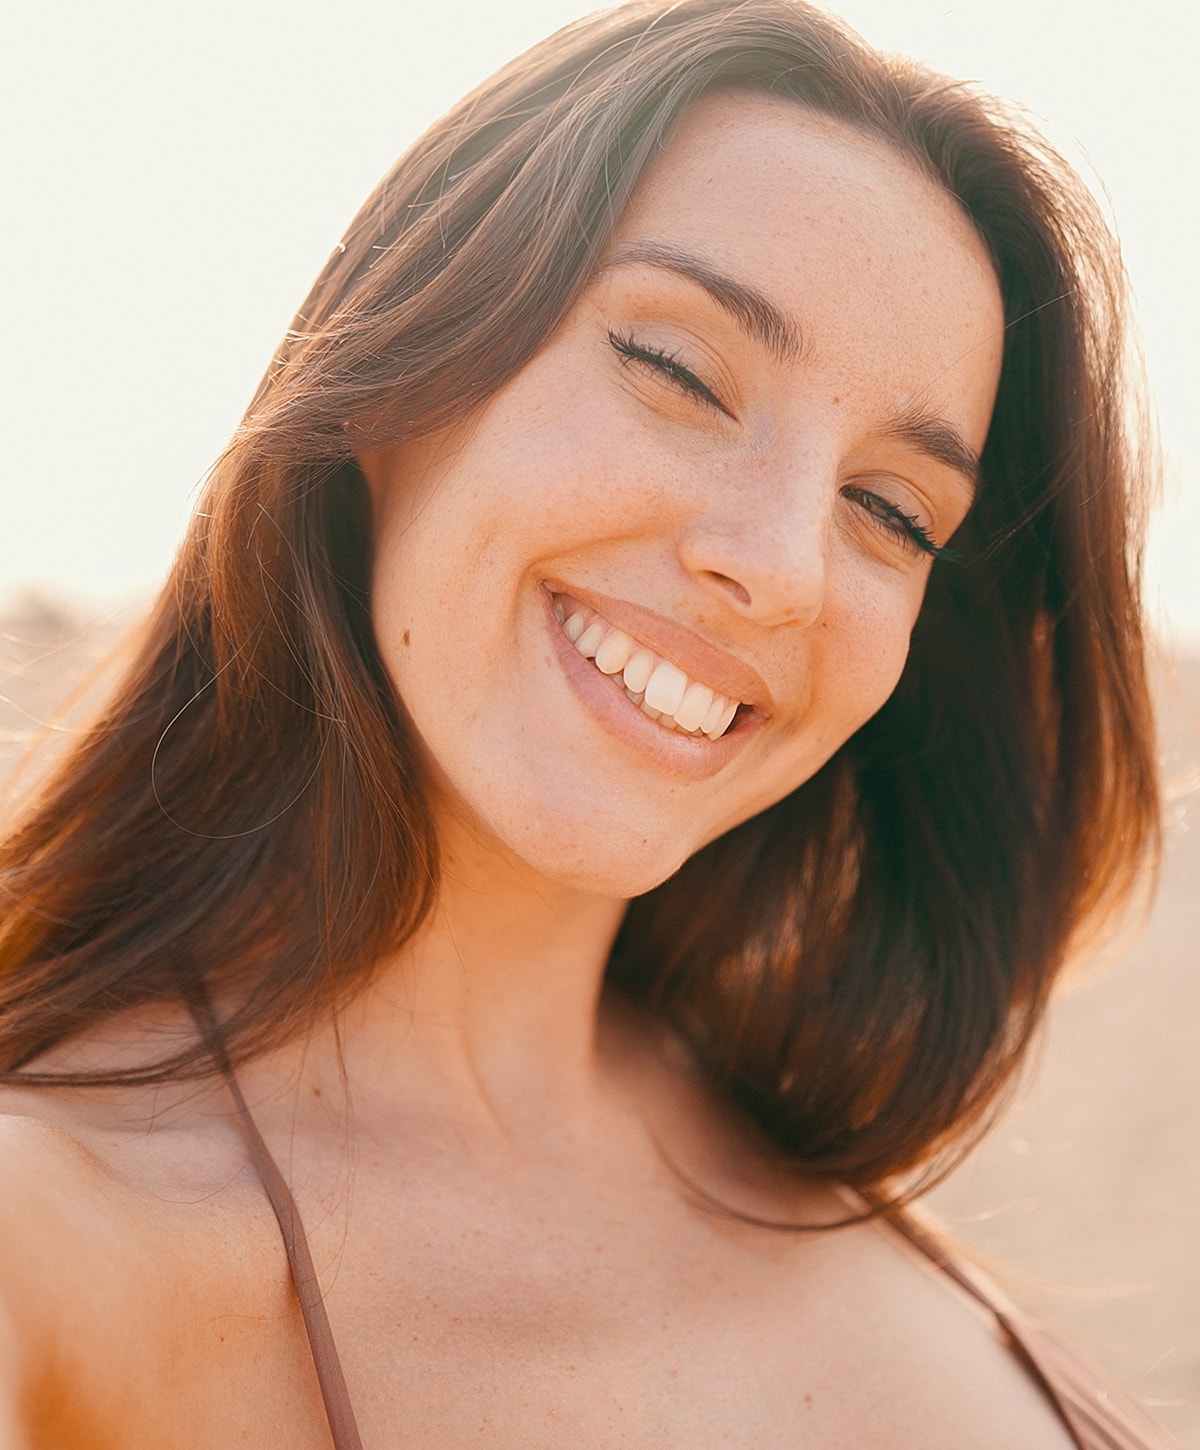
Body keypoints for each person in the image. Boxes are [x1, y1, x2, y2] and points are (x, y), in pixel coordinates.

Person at [0, 0, 1174, 1445]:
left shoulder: (799, 1157)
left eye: (890, 510)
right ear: (399, 371)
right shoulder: (50, 1245)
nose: (785, 565)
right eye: (676, 370)